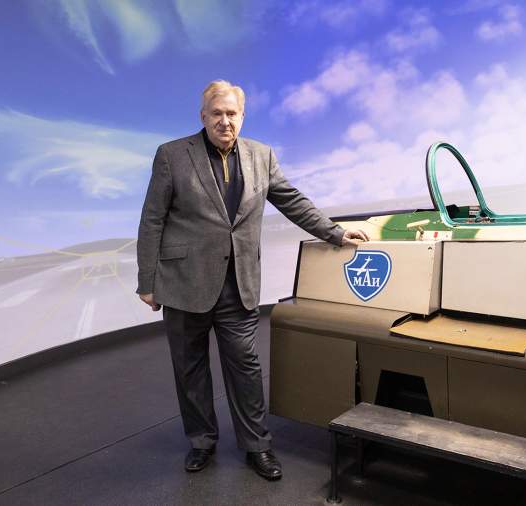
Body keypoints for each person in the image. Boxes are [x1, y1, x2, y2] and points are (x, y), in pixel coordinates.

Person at [136, 80, 369, 481]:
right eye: (216, 113)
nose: (224, 121)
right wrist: (147, 280)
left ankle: (257, 445)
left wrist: (334, 232)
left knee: (245, 368)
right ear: (203, 116)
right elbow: (152, 219)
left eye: (232, 114)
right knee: (190, 369)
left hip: (238, 283)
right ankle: (202, 441)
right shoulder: (172, 155)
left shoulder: (261, 155)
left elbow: (291, 200)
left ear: (242, 116)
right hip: (183, 283)